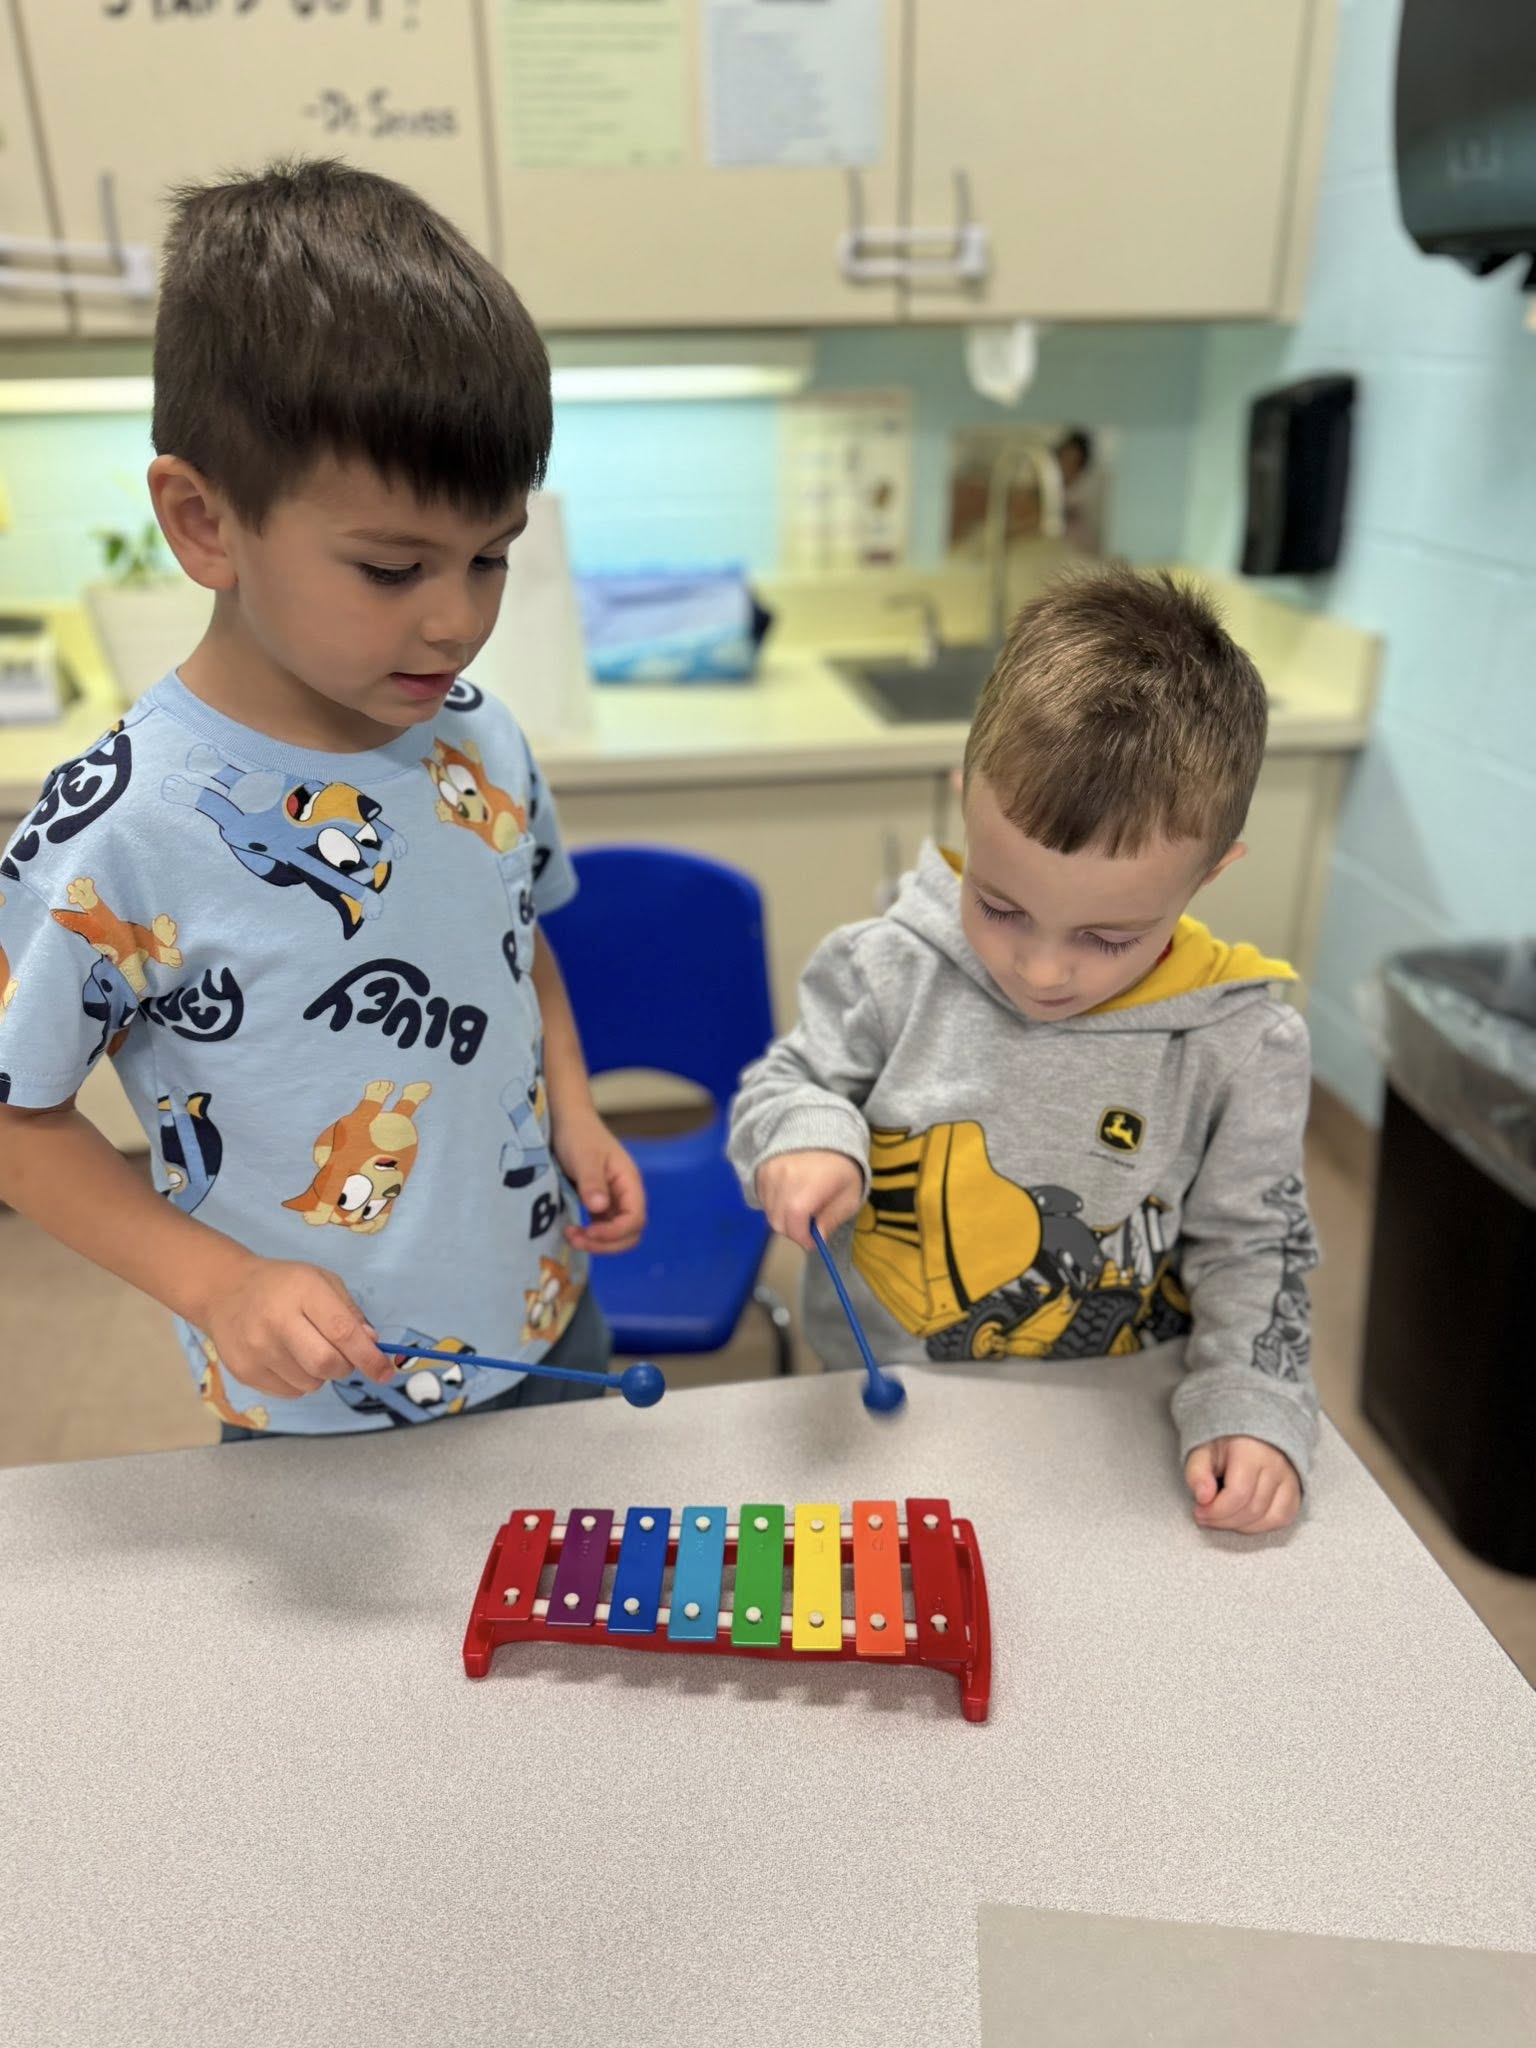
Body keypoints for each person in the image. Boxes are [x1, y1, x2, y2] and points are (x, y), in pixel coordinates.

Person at [0, 159, 644, 1440]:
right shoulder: (119, 830)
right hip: (315, 1397)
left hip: (552, 1318)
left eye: (492, 555)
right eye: (394, 566)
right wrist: (218, 1282)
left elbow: (521, 951)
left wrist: (575, 1110)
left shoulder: (480, 738)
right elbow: (19, 1119)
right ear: (204, 522)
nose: (458, 617)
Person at [730, 566, 1317, 1534]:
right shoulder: (885, 968)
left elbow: (1259, 1245)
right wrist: (808, 1135)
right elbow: (788, 1083)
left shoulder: (1241, 1041)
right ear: (969, 803)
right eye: (1000, 906)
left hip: (1110, 1420)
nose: (1042, 969)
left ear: (1211, 872)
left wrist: (1254, 1407)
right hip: (890, 1404)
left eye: (1107, 936)